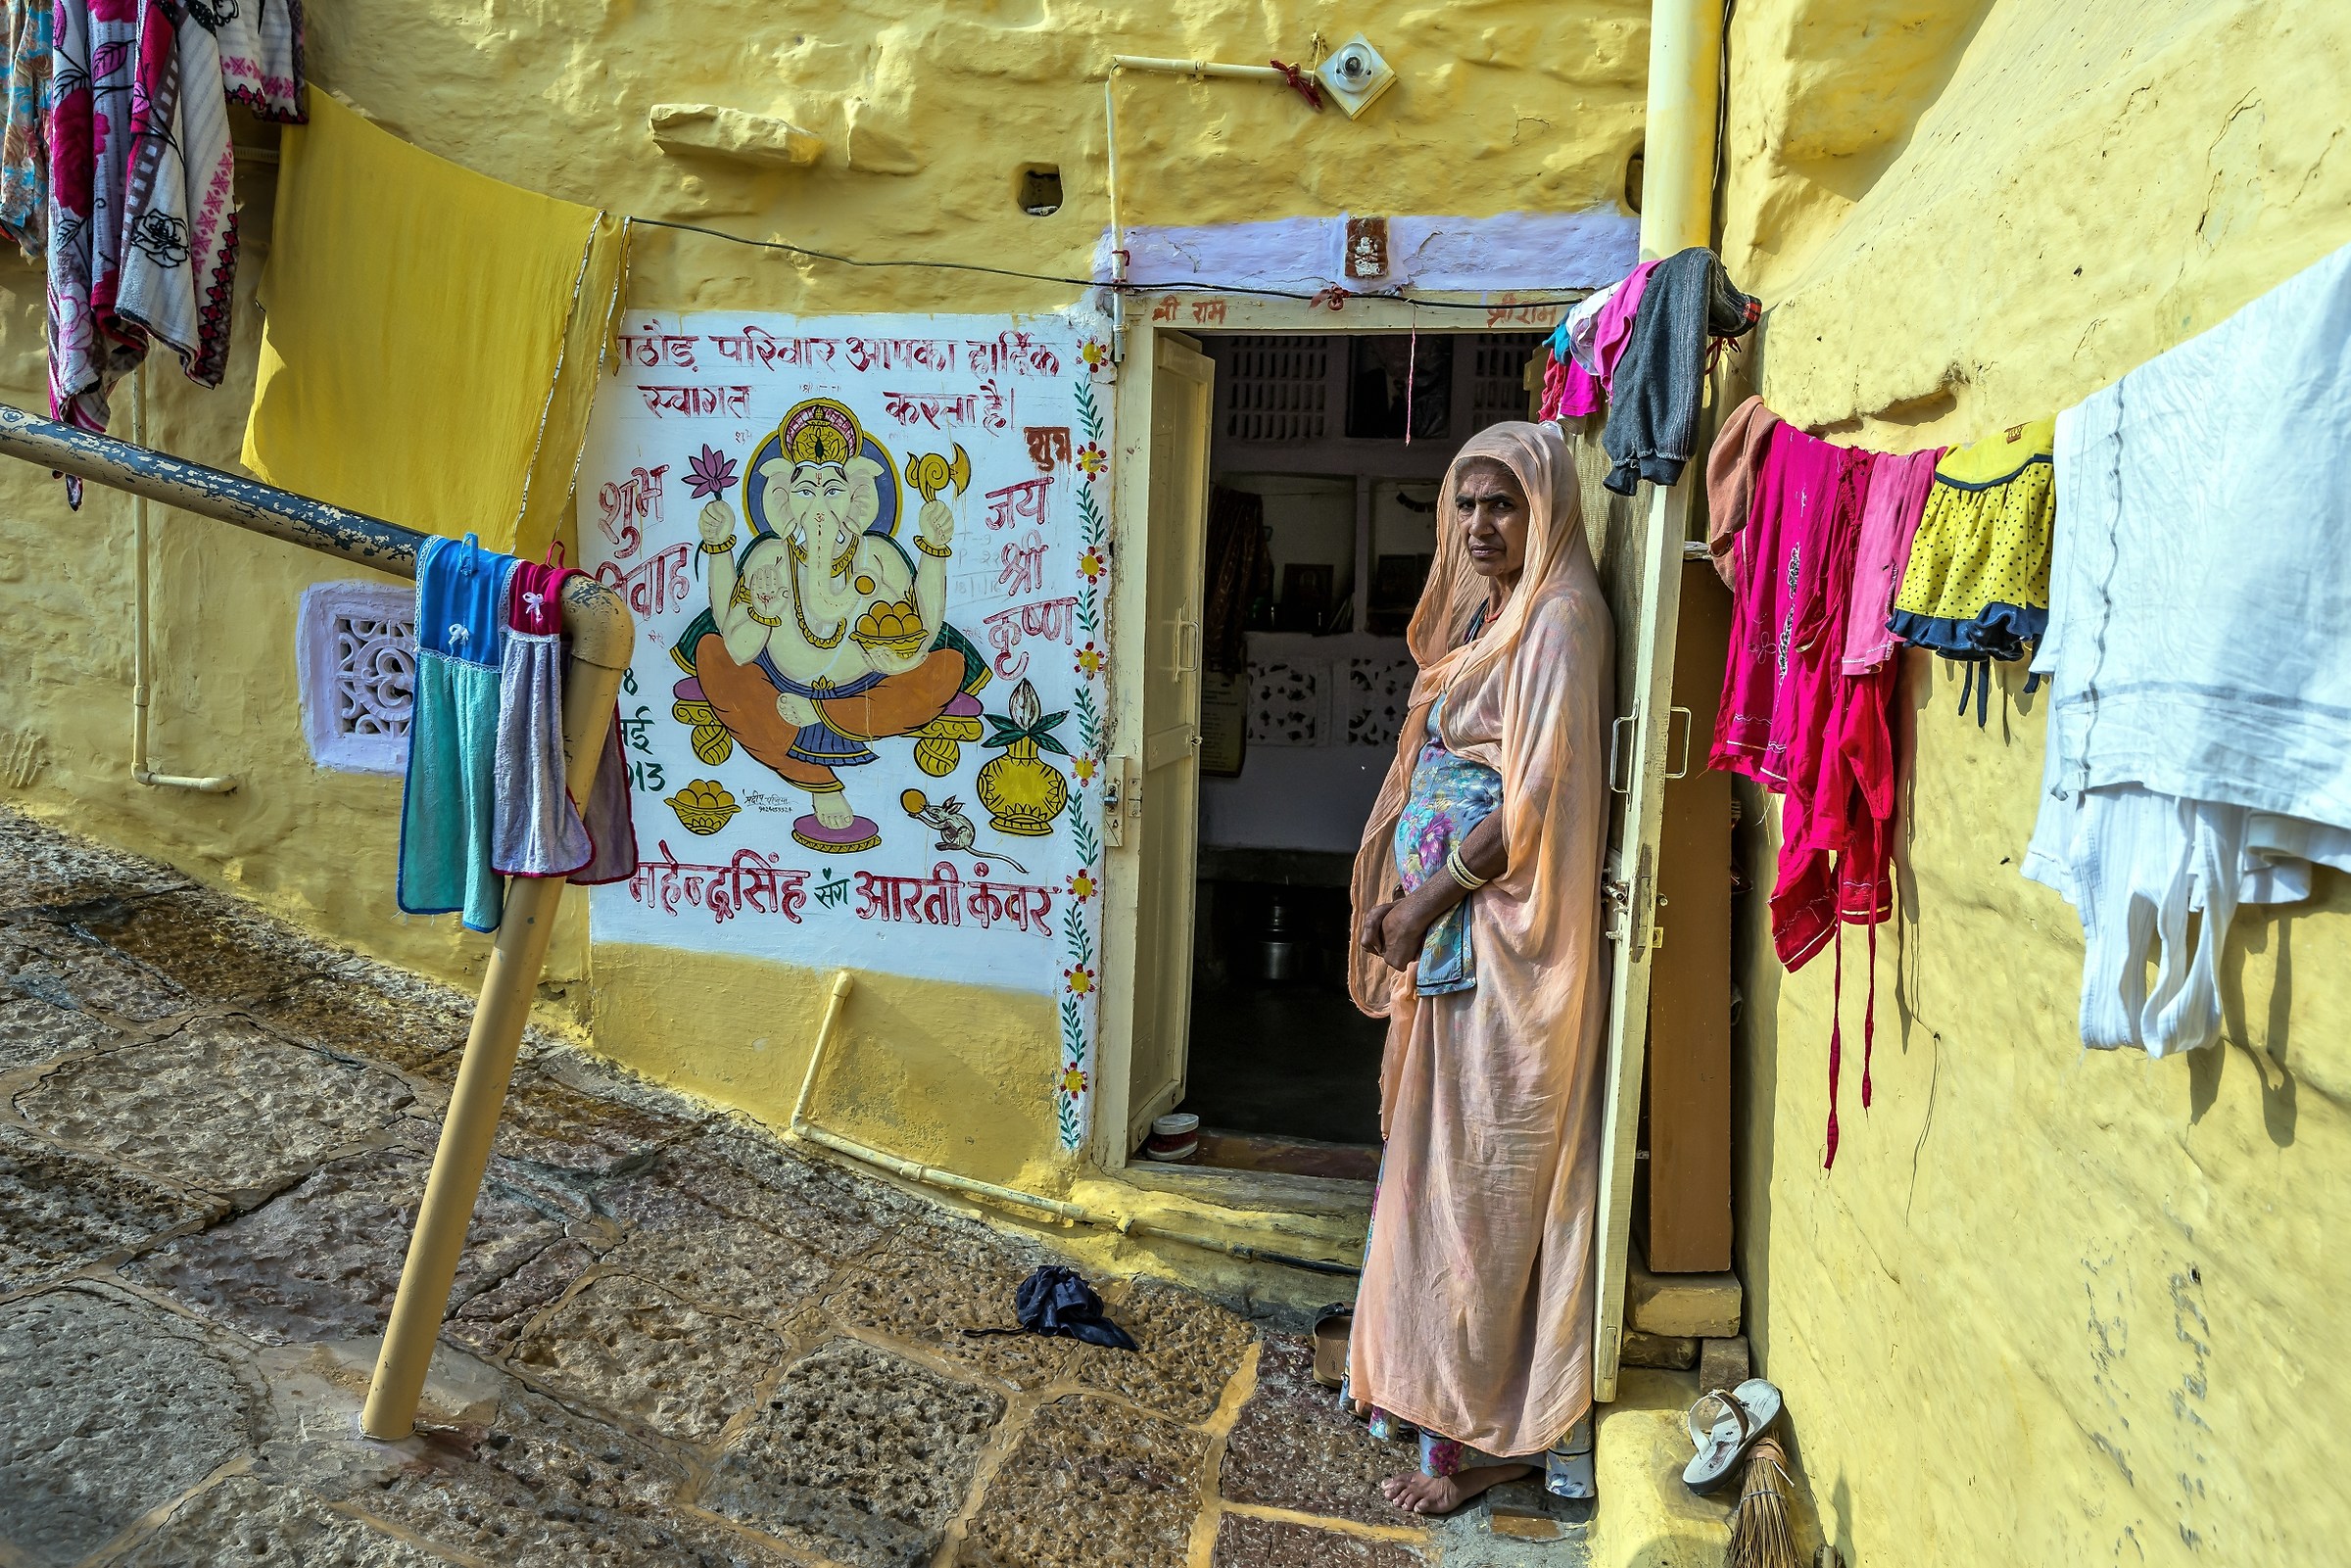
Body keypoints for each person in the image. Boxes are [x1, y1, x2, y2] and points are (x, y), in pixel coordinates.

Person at [1345, 420, 1615, 1513]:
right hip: (1461, 951)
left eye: (1501, 502)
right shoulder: (1499, 612)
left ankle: (1498, 1435)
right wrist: (1403, 904)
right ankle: (1440, 1397)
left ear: (1545, 506)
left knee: (1486, 1194)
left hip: (1509, 960)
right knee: (1438, 1179)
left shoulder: (1560, 619)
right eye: (1464, 504)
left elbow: (1535, 802)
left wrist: (1421, 901)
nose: (1479, 525)